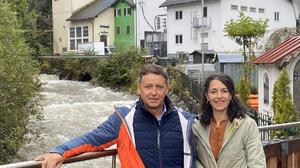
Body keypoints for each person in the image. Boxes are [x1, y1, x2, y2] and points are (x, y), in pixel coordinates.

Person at [35, 63, 196, 168]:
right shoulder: (123, 119)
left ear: (167, 89)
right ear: (138, 89)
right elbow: (91, 140)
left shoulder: (186, 120)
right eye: (148, 87)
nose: (153, 92)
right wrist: (60, 151)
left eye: (159, 87)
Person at [192, 72, 266, 168]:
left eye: (224, 91)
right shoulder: (197, 126)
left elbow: (257, 163)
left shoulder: (247, 125)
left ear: (231, 95)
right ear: (207, 96)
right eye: (213, 91)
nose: (219, 96)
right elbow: (192, 159)